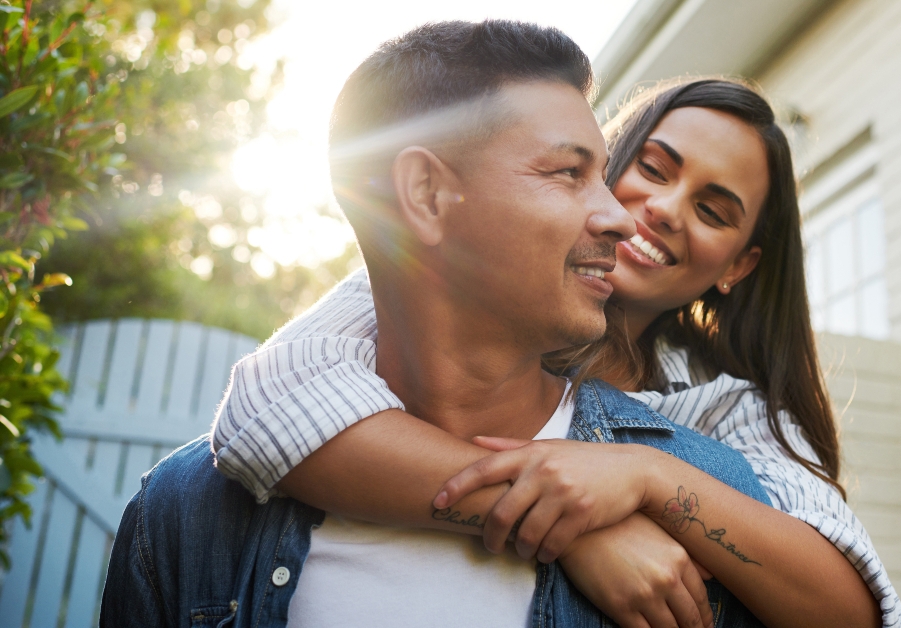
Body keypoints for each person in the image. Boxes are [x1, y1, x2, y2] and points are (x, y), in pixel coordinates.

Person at [100, 21, 778, 628]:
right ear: (425, 195)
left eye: (603, 174)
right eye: (569, 173)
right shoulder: (184, 515)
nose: (621, 217)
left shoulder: (703, 488)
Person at [213, 71, 901, 628]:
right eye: (654, 169)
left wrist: (648, 476)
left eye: (713, 210)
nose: (665, 208)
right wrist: (575, 528)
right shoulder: (443, 284)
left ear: (737, 267)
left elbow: (846, 610)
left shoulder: (720, 412)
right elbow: (264, 405)